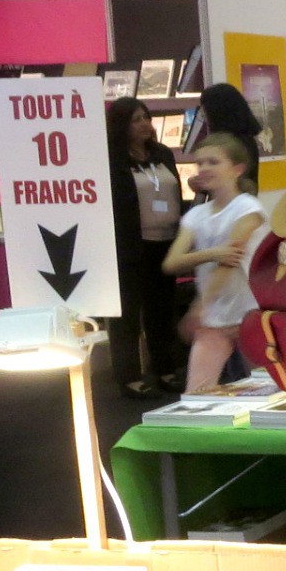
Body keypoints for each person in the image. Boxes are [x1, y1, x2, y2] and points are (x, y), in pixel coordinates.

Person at [160, 134, 265, 394]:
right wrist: (213, 252)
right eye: (200, 163)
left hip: (250, 315)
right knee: (196, 394)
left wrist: (199, 306)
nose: (204, 169)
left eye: (213, 162)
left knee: (269, 390)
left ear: (237, 169)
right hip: (213, 320)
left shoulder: (247, 208)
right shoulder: (197, 214)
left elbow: (230, 261)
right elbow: (171, 262)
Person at [105, 98, 185, 399]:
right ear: (122, 125)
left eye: (146, 118)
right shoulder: (113, 160)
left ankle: (165, 368)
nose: (145, 124)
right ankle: (128, 376)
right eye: (137, 119)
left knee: (162, 311)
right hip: (131, 247)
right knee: (127, 313)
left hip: (166, 242)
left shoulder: (162, 153)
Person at [196, 84, 265, 194]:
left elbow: (229, 181)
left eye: (213, 162)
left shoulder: (232, 144)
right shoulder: (246, 140)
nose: (204, 115)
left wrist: (197, 182)